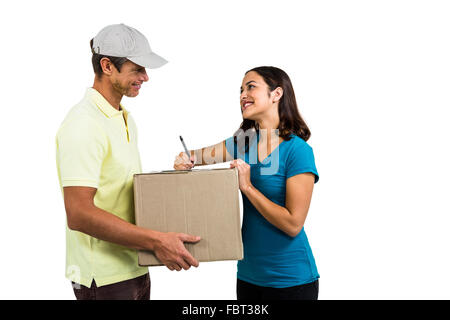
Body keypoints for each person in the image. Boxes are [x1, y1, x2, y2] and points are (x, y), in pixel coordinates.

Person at [55, 23, 201, 300]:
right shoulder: (83, 124)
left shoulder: (122, 117)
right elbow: (78, 213)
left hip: (134, 265)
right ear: (108, 66)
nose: (145, 77)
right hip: (104, 278)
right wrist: (157, 241)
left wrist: (174, 181)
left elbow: (120, 191)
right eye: (137, 69)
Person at [174, 66, 320, 300]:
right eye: (241, 90)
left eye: (251, 87)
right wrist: (184, 159)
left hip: (291, 281)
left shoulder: (298, 151)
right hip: (249, 277)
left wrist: (248, 188)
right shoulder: (243, 144)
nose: (242, 95)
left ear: (276, 94)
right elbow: (195, 156)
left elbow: (293, 224)